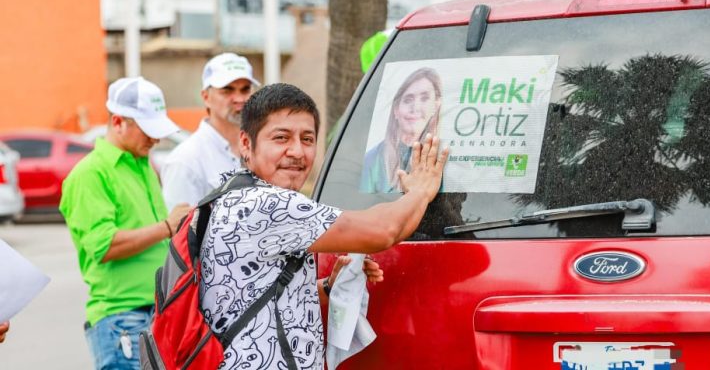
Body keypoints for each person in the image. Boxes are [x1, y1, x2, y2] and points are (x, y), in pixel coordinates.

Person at [200, 83, 447, 370]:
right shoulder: (265, 205)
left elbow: (259, 297)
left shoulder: (232, 194)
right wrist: (420, 191)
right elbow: (384, 231)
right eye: (281, 138)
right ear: (246, 143)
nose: (297, 151)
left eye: (307, 139)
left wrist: (330, 286)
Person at [60, 76, 192, 370]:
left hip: (156, 312)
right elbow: (104, 245)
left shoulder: (142, 164)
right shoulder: (90, 174)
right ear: (118, 122)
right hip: (121, 317)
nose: (155, 139)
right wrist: (167, 227)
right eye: (147, 130)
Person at [161, 52, 260, 210]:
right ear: (206, 97)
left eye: (245, 89)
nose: (239, 99)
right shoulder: (186, 161)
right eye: (227, 90)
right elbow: (180, 231)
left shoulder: (261, 148)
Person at [360, 67, 442, 193]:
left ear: (436, 106)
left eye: (424, 98)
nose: (416, 107)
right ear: (396, 110)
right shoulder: (371, 161)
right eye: (408, 100)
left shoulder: (445, 160)